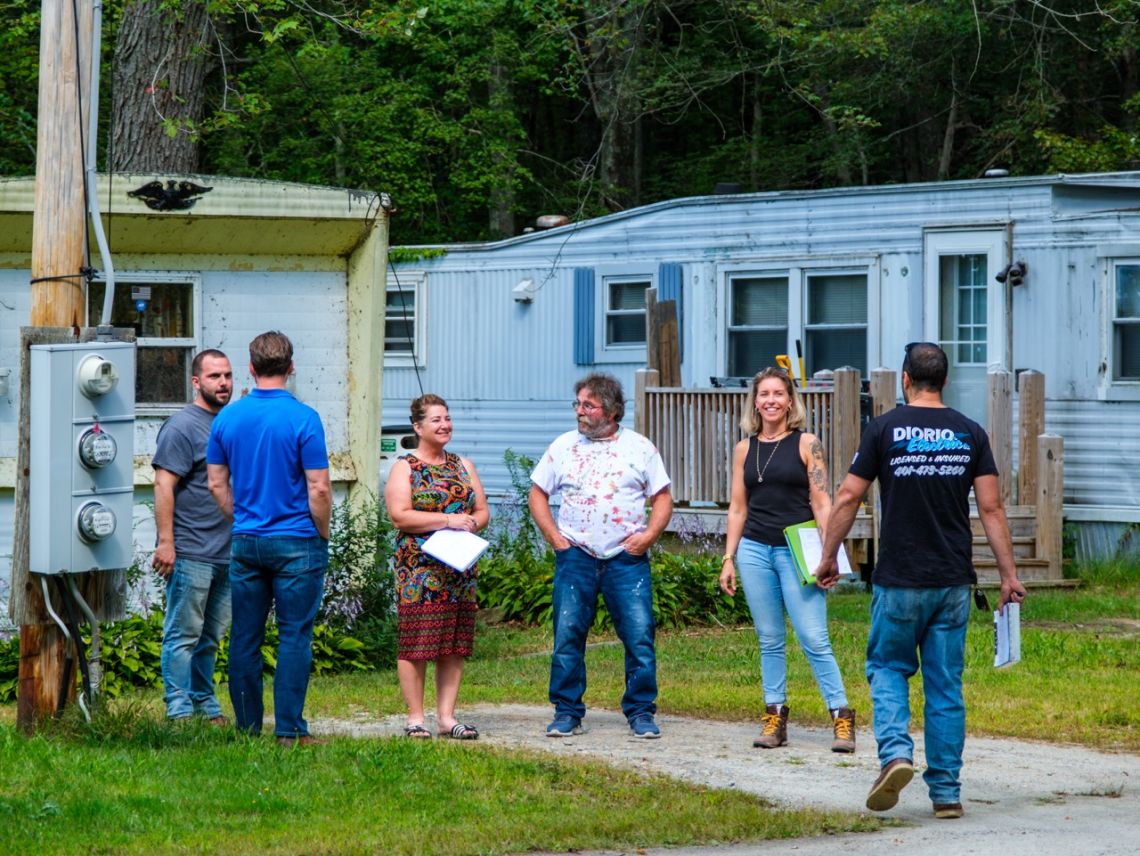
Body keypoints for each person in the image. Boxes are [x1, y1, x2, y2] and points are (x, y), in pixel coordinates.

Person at [815, 342, 1026, 819]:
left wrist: (829, 556)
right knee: (945, 686)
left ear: (906, 380)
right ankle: (947, 793)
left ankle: (895, 755)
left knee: (888, 668)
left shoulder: (884, 428)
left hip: (899, 579)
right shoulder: (970, 433)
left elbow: (847, 497)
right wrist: (1009, 576)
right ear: (944, 381)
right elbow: (991, 509)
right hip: (952, 580)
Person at [529, 372, 673, 739]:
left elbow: (662, 498)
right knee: (568, 635)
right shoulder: (563, 447)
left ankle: (641, 712)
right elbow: (537, 494)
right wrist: (555, 539)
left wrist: (647, 538)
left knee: (639, 636)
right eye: (577, 404)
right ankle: (567, 712)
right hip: (576, 555)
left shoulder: (640, 447)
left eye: (588, 405)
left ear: (611, 411)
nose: (579, 411)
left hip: (626, 559)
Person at [719, 367, 855, 752]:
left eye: (779, 393)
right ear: (755, 401)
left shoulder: (806, 443)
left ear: (791, 400)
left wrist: (830, 555)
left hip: (799, 550)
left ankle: (841, 716)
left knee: (814, 637)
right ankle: (774, 717)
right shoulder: (744, 449)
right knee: (770, 638)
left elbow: (822, 501)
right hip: (754, 550)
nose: (771, 401)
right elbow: (737, 508)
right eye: (764, 394)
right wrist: (729, 558)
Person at [206, 331, 331, 747]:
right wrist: (323, 531)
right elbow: (319, 488)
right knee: (295, 634)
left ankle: (246, 727)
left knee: (245, 635)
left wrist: (239, 518)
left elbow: (216, 483)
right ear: (291, 367)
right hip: (297, 539)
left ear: (251, 367)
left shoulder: (226, 418)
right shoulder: (304, 418)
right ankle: (290, 729)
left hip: (247, 539)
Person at [384, 394, 490, 740]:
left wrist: (472, 523)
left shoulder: (463, 465)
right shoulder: (405, 467)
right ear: (418, 427)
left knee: (453, 642)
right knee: (417, 642)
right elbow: (400, 515)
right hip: (420, 570)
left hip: (459, 569)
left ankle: (447, 717)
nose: (445, 425)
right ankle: (416, 718)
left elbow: (482, 510)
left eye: (447, 418)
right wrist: (447, 520)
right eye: (436, 420)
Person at [152, 349, 234, 724]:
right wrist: (166, 542)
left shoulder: (232, 424)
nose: (223, 383)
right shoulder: (182, 426)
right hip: (191, 551)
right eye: (215, 376)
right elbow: (163, 484)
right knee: (183, 634)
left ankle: (205, 701)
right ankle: (179, 708)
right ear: (196, 381)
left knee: (211, 637)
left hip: (229, 552)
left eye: (228, 376)